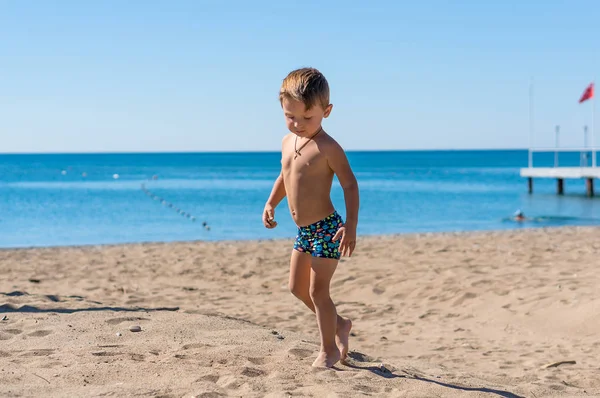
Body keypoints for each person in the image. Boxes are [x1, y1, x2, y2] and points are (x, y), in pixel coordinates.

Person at [262, 67, 360, 368]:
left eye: (307, 118)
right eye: (290, 116)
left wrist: (351, 228)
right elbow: (285, 175)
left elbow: (349, 184)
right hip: (304, 231)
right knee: (297, 288)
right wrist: (271, 202)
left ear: (326, 111)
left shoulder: (328, 147)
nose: (298, 124)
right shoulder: (286, 142)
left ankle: (328, 349)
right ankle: (340, 323)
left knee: (319, 292)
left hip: (328, 228)